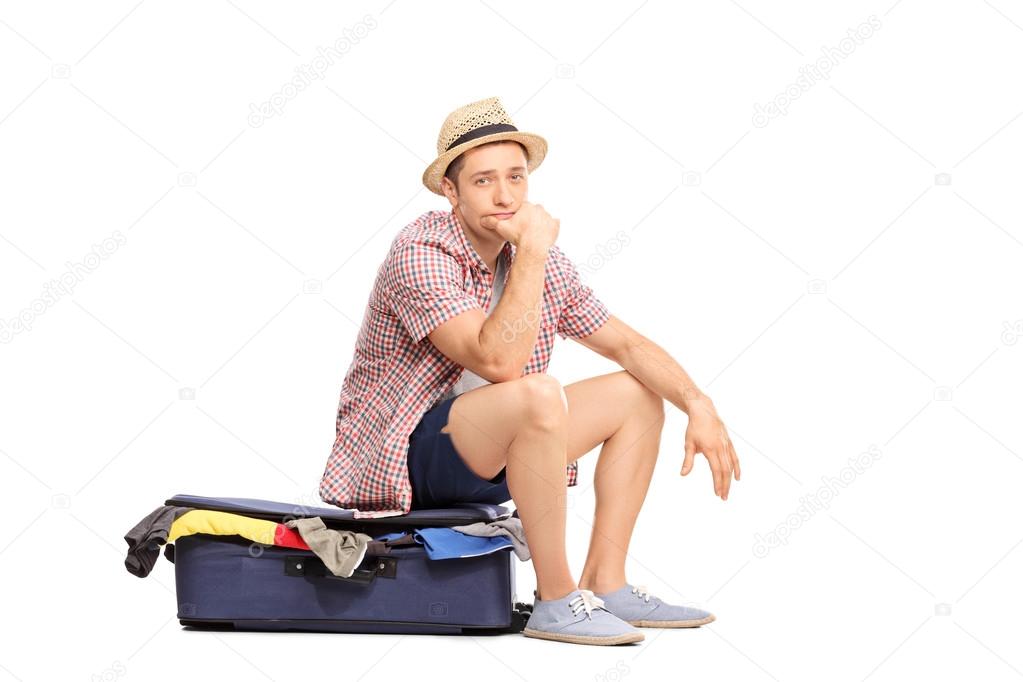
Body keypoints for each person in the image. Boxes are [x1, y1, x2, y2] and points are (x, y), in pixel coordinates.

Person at [319, 96, 741, 645]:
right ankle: (556, 599)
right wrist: (536, 255)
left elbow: (627, 345)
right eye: (483, 181)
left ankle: (605, 583)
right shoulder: (422, 250)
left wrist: (700, 404)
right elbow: (498, 362)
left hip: (490, 448)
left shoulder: (530, 254)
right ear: (450, 190)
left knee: (636, 395)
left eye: (516, 178)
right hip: (407, 460)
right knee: (538, 392)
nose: (505, 196)